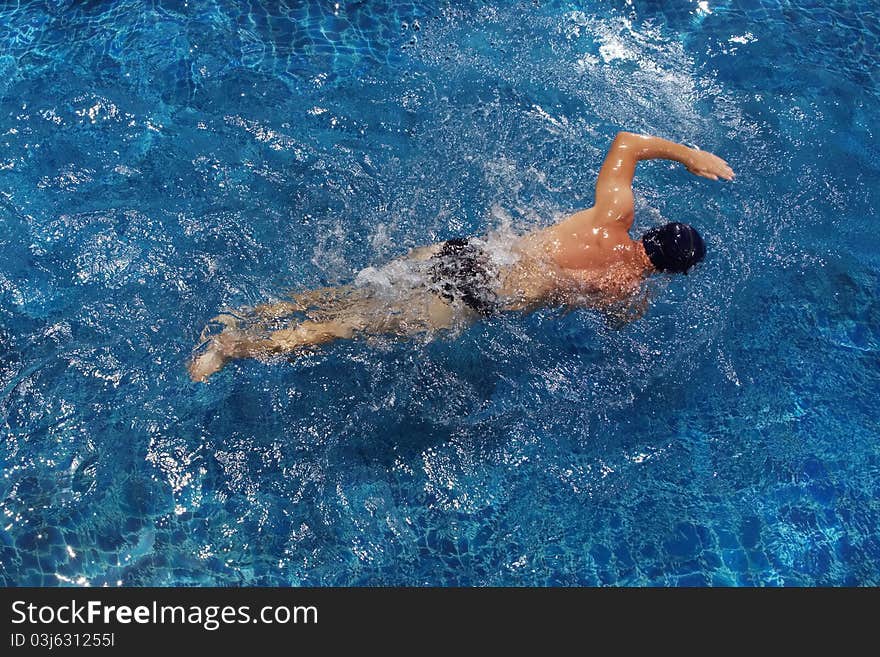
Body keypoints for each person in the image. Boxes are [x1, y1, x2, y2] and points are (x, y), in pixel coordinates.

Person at [188, 131, 734, 382]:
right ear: (670, 270)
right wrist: (639, 297)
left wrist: (689, 155)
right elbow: (615, 328)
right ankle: (235, 350)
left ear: (654, 229)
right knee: (347, 329)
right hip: (481, 297)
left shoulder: (612, 214)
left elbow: (626, 143)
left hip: (471, 253)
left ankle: (248, 316)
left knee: (349, 295)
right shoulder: (626, 288)